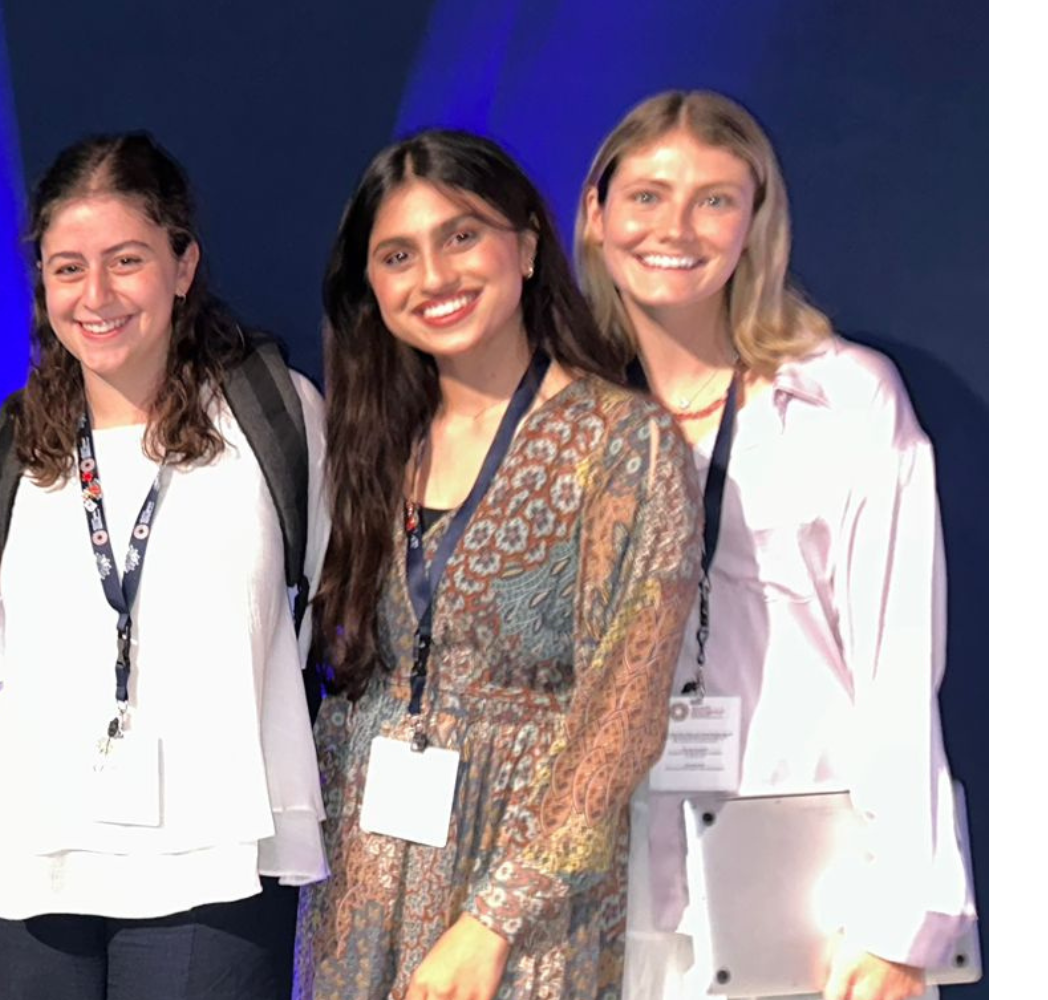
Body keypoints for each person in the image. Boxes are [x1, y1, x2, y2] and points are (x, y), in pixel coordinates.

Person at [572, 91, 975, 1000]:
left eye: (715, 198)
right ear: (595, 217)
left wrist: (900, 922)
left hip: (804, 906)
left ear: (755, 223)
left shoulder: (847, 400)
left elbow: (899, 671)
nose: (676, 226)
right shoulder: (563, 417)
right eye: (647, 195)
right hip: (603, 901)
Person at [297, 126, 704, 1000]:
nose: (434, 276)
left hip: (523, 904)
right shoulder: (375, 443)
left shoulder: (620, 443)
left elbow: (621, 718)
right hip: (360, 883)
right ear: (370, 286)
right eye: (398, 254)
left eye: (461, 236)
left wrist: (493, 922)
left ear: (524, 244)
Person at [0, 131, 329, 1000]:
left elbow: (343, 603)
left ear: (183, 265)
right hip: (38, 850)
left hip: (218, 849)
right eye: (67, 267)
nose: (97, 295)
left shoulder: (274, 414)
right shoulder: (16, 446)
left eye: (127, 260)